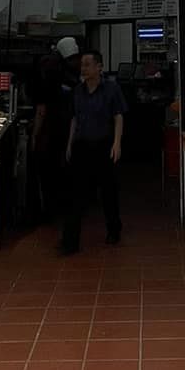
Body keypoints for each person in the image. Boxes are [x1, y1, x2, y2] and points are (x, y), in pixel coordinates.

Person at [59, 48, 126, 254]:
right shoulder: (77, 91)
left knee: (108, 191)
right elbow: (74, 119)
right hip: (82, 144)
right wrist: (70, 143)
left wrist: (117, 143)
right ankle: (70, 242)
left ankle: (114, 230)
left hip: (104, 144)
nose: (84, 68)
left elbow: (118, 116)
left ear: (99, 67)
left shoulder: (111, 89)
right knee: (75, 194)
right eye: (82, 65)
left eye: (88, 64)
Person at [31, 37, 79, 221]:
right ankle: (63, 207)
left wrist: (35, 135)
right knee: (63, 168)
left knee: (49, 170)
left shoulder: (47, 74)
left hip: (51, 131)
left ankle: (50, 210)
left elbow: (41, 109)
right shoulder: (72, 77)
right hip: (66, 128)